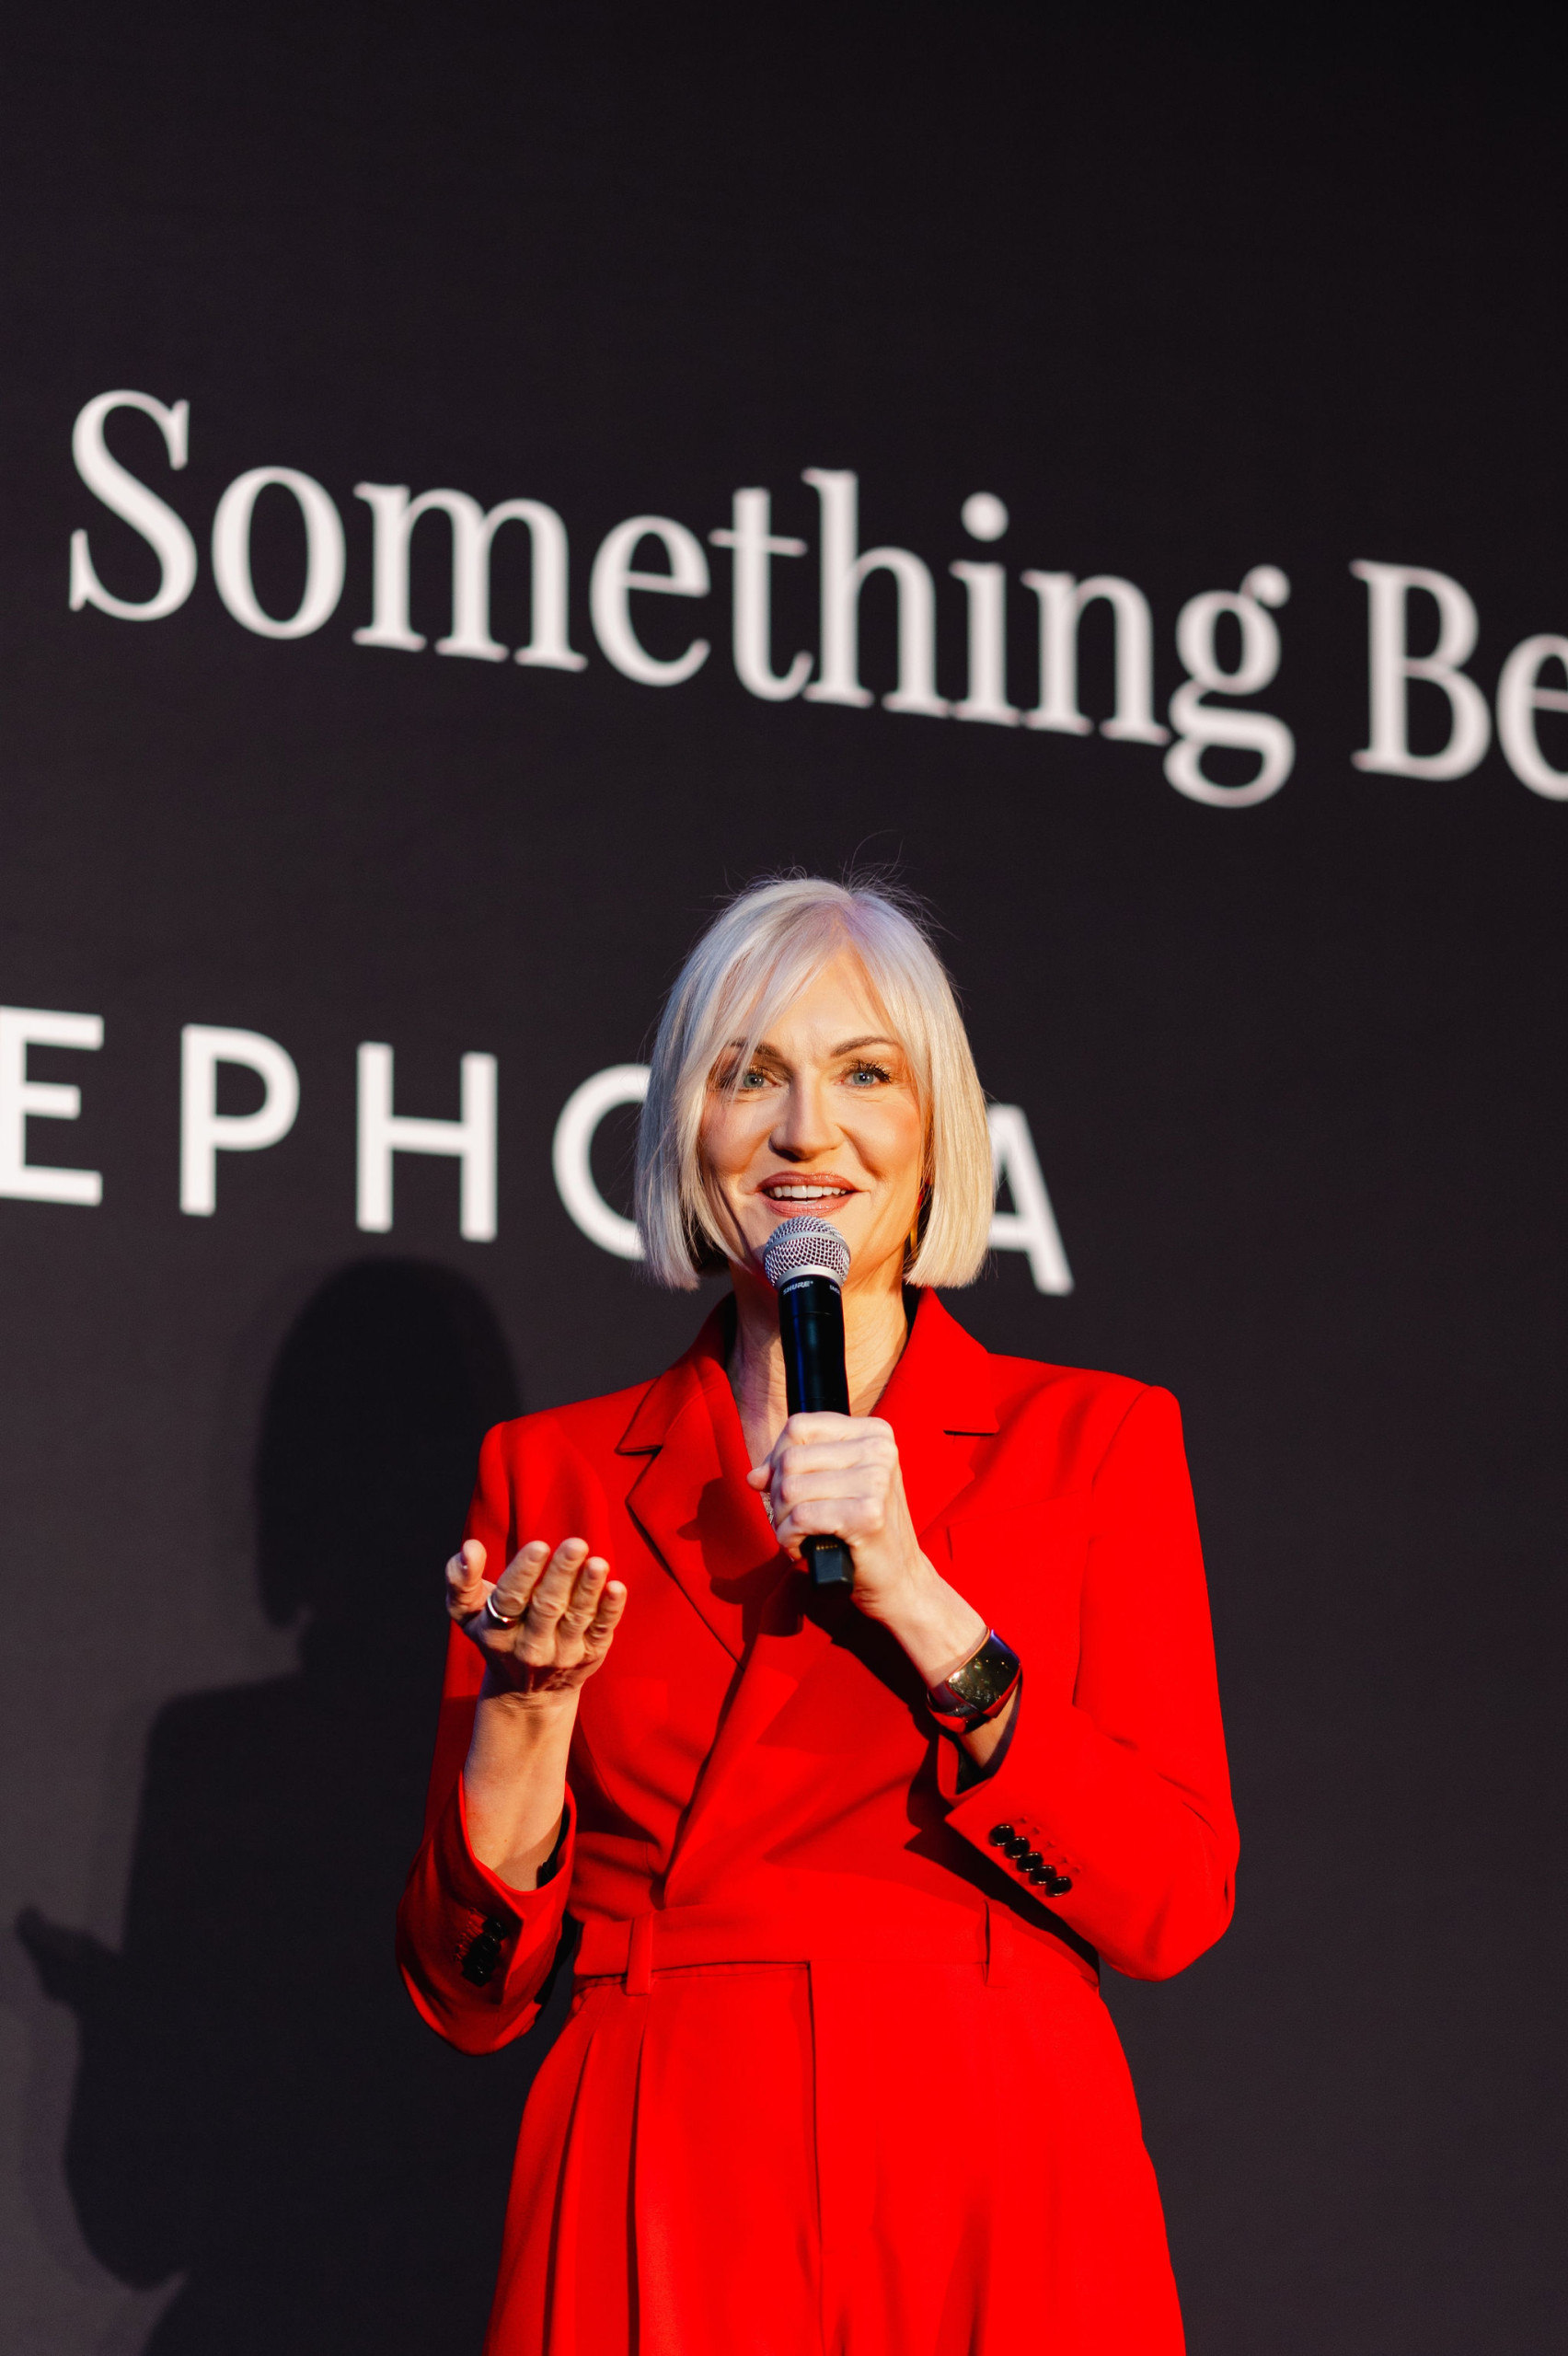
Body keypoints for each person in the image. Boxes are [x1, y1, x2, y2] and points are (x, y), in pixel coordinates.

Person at [397, 874, 1238, 2356]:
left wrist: (919, 1596)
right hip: (660, 2141)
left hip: (993, 2149)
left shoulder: (1094, 1441)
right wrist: (525, 1717)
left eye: (864, 1074)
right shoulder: (552, 1473)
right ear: (684, 1128)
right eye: (749, 1076)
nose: (806, 1133)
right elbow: (470, 1997)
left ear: (937, 1129)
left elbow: (1170, 1903)